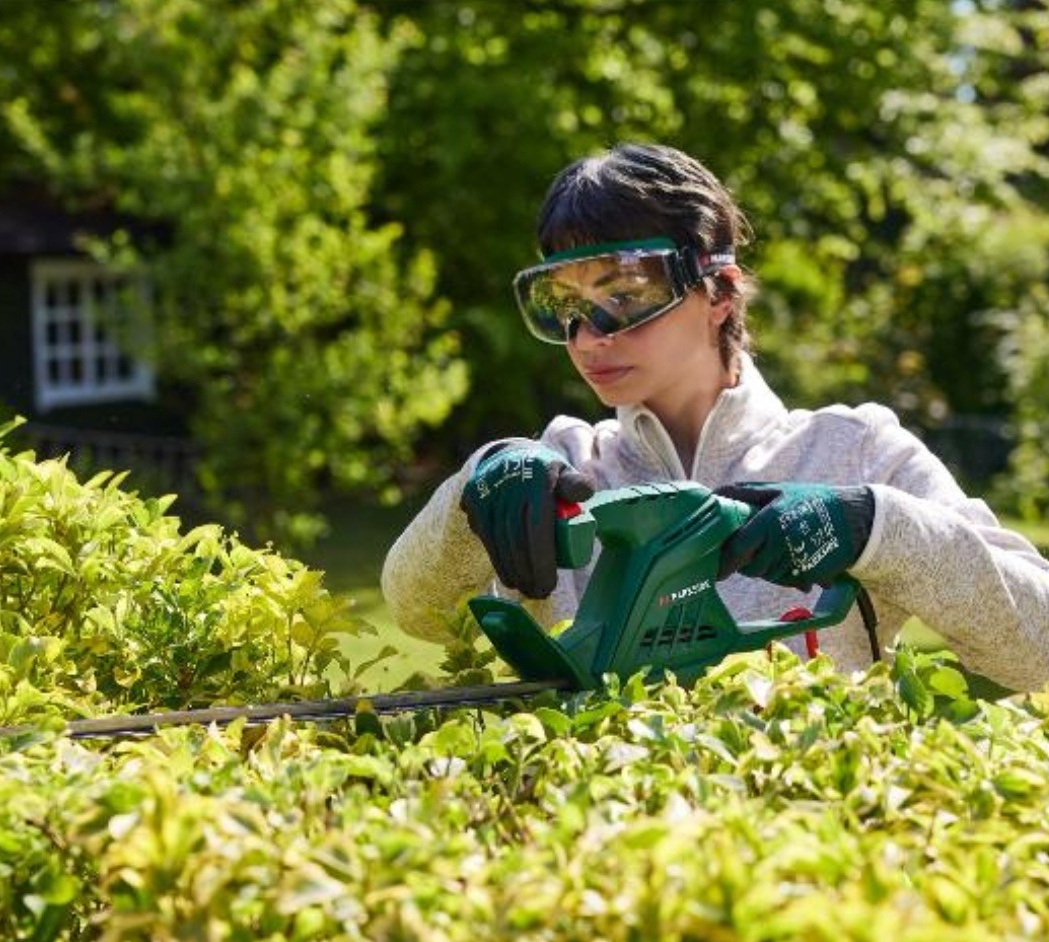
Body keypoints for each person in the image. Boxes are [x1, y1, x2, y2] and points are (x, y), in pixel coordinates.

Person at [381, 142, 1049, 692]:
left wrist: (878, 527)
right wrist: (474, 490)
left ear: (720, 293)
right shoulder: (562, 471)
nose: (589, 336)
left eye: (624, 294)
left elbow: (1039, 649)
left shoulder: (854, 452)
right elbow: (415, 611)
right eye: (567, 304)